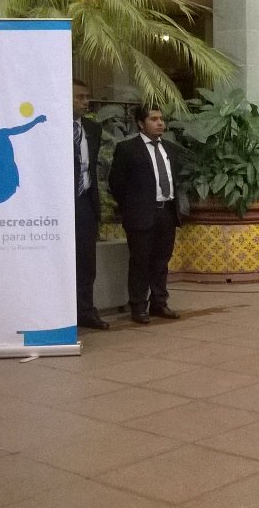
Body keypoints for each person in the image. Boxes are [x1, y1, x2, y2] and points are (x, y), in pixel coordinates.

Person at [109, 104, 182, 324]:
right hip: (140, 215)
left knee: (161, 260)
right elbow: (116, 183)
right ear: (141, 123)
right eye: (153, 119)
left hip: (166, 212)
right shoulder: (127, 149)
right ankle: (138, 306)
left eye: (161, 118)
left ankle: (159, 303)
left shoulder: (169, 148)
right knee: (140, 262)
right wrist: (132, 207)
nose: (160, 123)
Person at [71, 80, 108, 330]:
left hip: (85, 202)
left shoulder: (93, 129)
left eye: (87, 97)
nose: (86, 102)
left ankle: (86, 310)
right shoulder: (50, 127)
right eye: (80, 97)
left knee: (86, 261)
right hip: (60, 203)